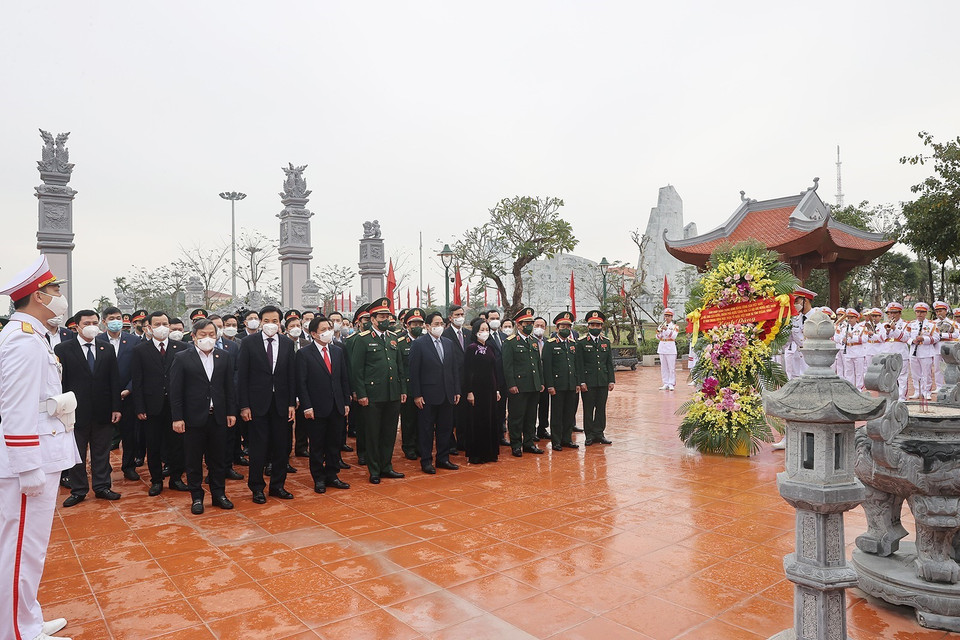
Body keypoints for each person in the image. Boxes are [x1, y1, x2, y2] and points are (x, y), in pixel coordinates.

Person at [0, 256, 79, 640]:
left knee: (29, 549)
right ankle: (18, 631)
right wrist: (28, 467)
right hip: (27, 463)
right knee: (21, 550)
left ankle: (24, 618)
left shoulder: (33, 337)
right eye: (55, 291)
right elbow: (15, 409)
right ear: (37, 297)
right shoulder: (23, 342)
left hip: (38, 456)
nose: (61, 297)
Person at [169, 319, 237, 514]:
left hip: (218, 417)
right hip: (192, 418)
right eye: (203, 335)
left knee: (218, 459)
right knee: (193, 460)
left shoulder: (223, 356)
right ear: (193, 336)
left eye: (211, 335)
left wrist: (231, 412)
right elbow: (176, 391)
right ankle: (196, 497)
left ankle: (219, 494)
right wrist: (177, 417)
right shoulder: (182, 357)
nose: (207, 339)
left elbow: (229, 388)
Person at [56, 310, 122, 506]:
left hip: (102, 411)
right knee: (76, 453)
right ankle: (79, 490)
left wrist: (116, 407)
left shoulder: (106, 348)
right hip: (74, 413)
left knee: (101, 452)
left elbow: (114, 380)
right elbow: (60, 382)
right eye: (87, 323)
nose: (92, 326)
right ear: (77, 326)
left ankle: (102, 486)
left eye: (94, 322)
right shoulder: (63, 349)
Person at [236, 306, 297, 503]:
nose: (271, 325)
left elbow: (291, 375)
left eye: (275, 321)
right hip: (256, 404)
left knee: (281, 447)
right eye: (267, 321)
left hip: (280, 403)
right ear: (261, 322)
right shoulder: (248, 343)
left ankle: (278, 486)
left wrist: (291, 403)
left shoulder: (287, 343)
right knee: (258, 448)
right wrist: (244, 405)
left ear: (280, 323)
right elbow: (242, 376)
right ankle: (257, 488)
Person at [131, 311, 191, 496]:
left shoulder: (181, 347)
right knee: (154, 445)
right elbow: (137, 381)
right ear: (149, 327)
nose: (162, 327)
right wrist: (140, 407)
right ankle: (156, 480)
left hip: (176, 405)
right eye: (157, 324)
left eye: (165, 323)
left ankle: (176, 478)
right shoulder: (140, 350)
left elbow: (187, 379)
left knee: (177, 444)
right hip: (152, 405)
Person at [348, 298, 406, 484]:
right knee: (373, 433)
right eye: (381, 316)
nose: (385, 319)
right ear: (372, 319)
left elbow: (399, 366)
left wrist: (402, 389)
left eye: (387, 316)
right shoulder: (363, 339)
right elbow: (357, 370)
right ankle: (374, 469)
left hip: (392, 393)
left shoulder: (393, 338)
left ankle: (386, 466)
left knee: (389, 432)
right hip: (373, 395)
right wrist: (361, 394)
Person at [296, 316, 351, 493]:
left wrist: (346, 401)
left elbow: (343, 378)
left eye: (329, 327)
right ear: (313, 334)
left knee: (334, 443)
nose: (328, 331)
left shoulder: (337, 351)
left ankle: (332, 475)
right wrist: (307, 406)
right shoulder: (304, 354)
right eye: (323, 329)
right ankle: (318, 478)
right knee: (317, 445)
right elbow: (301, 383)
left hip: (336, 405)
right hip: (316, 407)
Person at [409, 311, 461, 474]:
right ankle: (426, 461)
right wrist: (417, 394)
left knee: (445, 428)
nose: (439, 327)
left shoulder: (448, 343)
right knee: (426, 429)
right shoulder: (419, 344)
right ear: (427, 326)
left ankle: (443, 458)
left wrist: (456, 390)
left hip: (447, 393)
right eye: (436, 324)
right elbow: (414, 371)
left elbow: (454, 369)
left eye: (441, 324)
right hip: (427, 395)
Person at [98, 306, 143, 480]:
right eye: (111, 318)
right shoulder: (98, 340)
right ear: (104, 321)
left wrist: (129, 389)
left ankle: (129, 466)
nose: (116, 321)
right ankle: (104, 468)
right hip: (105, 397)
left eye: (118, 317)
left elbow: (138, 370)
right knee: (104, 436)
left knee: (129, 433)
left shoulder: (133, 341)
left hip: (128, 395)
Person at [501, 307, 544, 457]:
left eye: (531, 323)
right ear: (518, 325)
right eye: (526, 323)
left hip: (533, 385)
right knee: (516, 417)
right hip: (518, 386)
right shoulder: (510, 342)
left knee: (531, 416)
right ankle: (516, 444)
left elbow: (538, 364)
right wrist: (511, 384)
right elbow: (507, 366)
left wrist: (541, 382)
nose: (529, 326)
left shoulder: (533, 341)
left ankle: (529, 443)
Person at [463, 319, 503, 464]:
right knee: (477, 421)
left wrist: (497, 388)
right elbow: (468, 371)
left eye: (487, 329)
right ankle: (476, 454)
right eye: (482, 329)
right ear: (475, 331)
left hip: (490, 389)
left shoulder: (491, 348)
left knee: (490, 420)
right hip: (477, 390)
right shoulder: (471, 348)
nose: (485, 332)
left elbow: (494, 370)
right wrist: (469, 391)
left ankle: (490, 453)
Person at [576, 310, 615, 445]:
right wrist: (581, 381)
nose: (595, 328)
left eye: (598, 325)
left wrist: (611, 380)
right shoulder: (581, 342)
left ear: (601, 326)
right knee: (588, 409)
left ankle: (599, 433)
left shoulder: (606, 342)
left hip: (602, 381)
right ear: (588, 326)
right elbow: (579, 364)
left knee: (601, 408)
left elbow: (609, 362)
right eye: (592, 325)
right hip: (588, 382)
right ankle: (589, 435)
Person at [542, 312, 579, 452]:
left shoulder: (573, 344)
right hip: (557, 386)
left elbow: (577, 365)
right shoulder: (550, 345)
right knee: (557, 414)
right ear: (557, 328)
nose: (566, 329)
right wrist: (550, 385)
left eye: (568, 327)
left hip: (571, 385)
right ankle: (556, 441)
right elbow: (547, 367)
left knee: (570, 413)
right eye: (563, 326)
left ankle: (567, 439)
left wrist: (577, 383)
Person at [397, 308, 425, 460]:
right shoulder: (400, 342)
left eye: (420, 323)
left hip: (425, 387)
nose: (417, 326)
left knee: (423, 420)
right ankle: (409, 447)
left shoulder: (426, 341)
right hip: (408, 388)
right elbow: (400, 369)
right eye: (413, 323)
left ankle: (421, 445)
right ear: (407, 325)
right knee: (409, 420)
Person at [442, 304, 469, 454]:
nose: (460, 317)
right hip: (451, 379)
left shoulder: (468, 333)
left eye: (462, 314)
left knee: (463, 414)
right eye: (457, 315)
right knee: (450, 415)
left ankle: (462, 441)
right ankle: (450, 443)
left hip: (466, 380)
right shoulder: (445, 335)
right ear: (450, 317)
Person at [907, 302, 940, 400]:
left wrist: (924, 339)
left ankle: (927, 392)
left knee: (927, 374)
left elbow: (937, 337)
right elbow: (906, 337)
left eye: (922, 312)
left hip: (926, 352)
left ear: (926, 313)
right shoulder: (911, 324)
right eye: (917, 312)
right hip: (914, 351)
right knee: (915, 374)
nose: (919, 314)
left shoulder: (932, 324)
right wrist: (912, 341)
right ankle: (917, 391)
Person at [880, 302, 911, 401]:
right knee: (888, 375)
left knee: (902, 376)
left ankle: (901, 397)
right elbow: (881, 338)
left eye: (894, 313)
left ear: (899, 313)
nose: (892, 315)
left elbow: (906, 338)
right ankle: (889, 395)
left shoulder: (906, 324)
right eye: (890, 313)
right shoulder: (883, 325)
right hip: (887, 352)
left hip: (901, 352)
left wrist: (895, 329)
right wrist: (888, 331)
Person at [531, 316, 551, 440]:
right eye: (537, 326)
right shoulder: (529, 341)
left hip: (546, 378)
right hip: (533, 379)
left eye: (542, 326)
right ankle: (530, 430)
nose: (539, 328)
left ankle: (542, 428)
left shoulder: (548, 342)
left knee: (544, 405)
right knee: (533, 406)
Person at [933, 301, 959, 389]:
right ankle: (939, 387)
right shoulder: (933, 323)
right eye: (937, 311)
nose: (938, 313)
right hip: (936, 347)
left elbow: (956, 334)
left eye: (940, 311)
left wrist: (942, 335)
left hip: (948, 346)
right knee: (937, 368)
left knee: (950, 367)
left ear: (946, 311)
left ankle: (950, 385)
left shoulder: (952, 322)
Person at [656, 308, 679, 390]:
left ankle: (671, 383)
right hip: (662, 346)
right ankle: (665, 383)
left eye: (669, 316)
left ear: (672, 317)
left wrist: (667, 329)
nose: (667, 317)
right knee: (663, 366)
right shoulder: (661, 325)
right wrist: (660, 332)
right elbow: (657, 337)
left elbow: (673, 336)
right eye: (666, 315)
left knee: (671, 367)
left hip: (670, 347)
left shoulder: (675, 326)